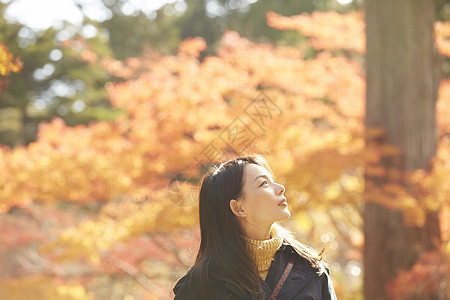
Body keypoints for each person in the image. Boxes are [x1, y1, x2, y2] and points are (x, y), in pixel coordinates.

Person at [173, 154, 338, 299]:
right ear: (239, 208)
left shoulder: (311, 269)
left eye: (273, 180)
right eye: (264, 183)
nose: (281, 188)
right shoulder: (198, 287)